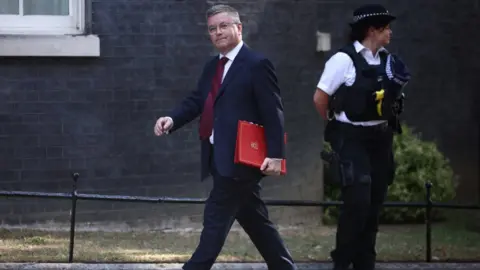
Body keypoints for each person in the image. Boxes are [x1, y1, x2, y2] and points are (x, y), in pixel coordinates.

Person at [153, 4, 297, 270]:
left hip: (241, 161)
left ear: (238, 28)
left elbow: (272, 111)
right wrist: (172, 119)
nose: (217, 32)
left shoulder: (257, 65)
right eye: (212, 29)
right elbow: (198, 100)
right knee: (257, 224)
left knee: (214, 225)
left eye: (223, 26)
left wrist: (276, 155)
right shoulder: (213, 66)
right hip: (219, 159)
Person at [313, 4, 411, 270]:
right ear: (372, 30)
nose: (390, 32)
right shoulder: (343, 60)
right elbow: (320, 98)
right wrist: (334, 124)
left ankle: (365, 262)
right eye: (386, 28)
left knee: (373, 204)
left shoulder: (387, 61)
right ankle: (342, 262)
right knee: (357, 202)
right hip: (351, 138)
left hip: (380, 139)